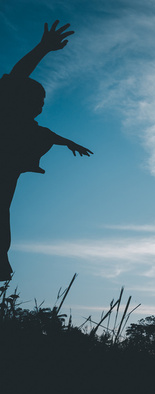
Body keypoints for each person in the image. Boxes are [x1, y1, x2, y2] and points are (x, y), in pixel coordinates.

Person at [1, 21, 93, 281]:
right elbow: (18, 76)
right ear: (19, 100)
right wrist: (42, 49)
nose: (40, 107)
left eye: (42, 104)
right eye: (37, 102)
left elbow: (47, 134)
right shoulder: (6, 118)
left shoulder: (28, 130)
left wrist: (69, 143)